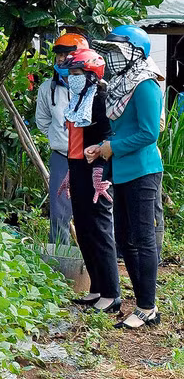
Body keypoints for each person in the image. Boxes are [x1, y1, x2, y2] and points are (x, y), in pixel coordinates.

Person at [92, 25, 163, 329]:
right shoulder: (122, 84)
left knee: (143, 238)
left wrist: (110, 147)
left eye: (118, 51)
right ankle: (141, 303)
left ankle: (148, 307)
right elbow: (121, 131)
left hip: (143, 171)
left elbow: (148, 133)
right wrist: (105, 152)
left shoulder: (145, 84)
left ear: (136, 53)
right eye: (109, 51)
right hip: (123, 170)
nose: (113, 57)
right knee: (125, 238)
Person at [57, 49, 121, 313]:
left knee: (100, 229)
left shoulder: (101, 100)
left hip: (97, 174)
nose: (72, 78)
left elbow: (107, 138)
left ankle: (111, 293)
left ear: (91, 75)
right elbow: (76, 142)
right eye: (70, 73)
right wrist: (72, 171)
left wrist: (100, 174)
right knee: (83, 229)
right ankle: (95, 287)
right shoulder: (78, 100)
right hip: (79, 168)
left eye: (77, 73)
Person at [35, 32, 89, 244]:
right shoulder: (48, 89)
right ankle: (59, 262)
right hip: (61, 157)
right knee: (59, 212)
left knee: (91, 210)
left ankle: (92, 260)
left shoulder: (93, 88)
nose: (60, 58)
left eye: (66, 54)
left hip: (89, 157)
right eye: (58, 54)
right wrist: (60, 137)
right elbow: (42, 121)